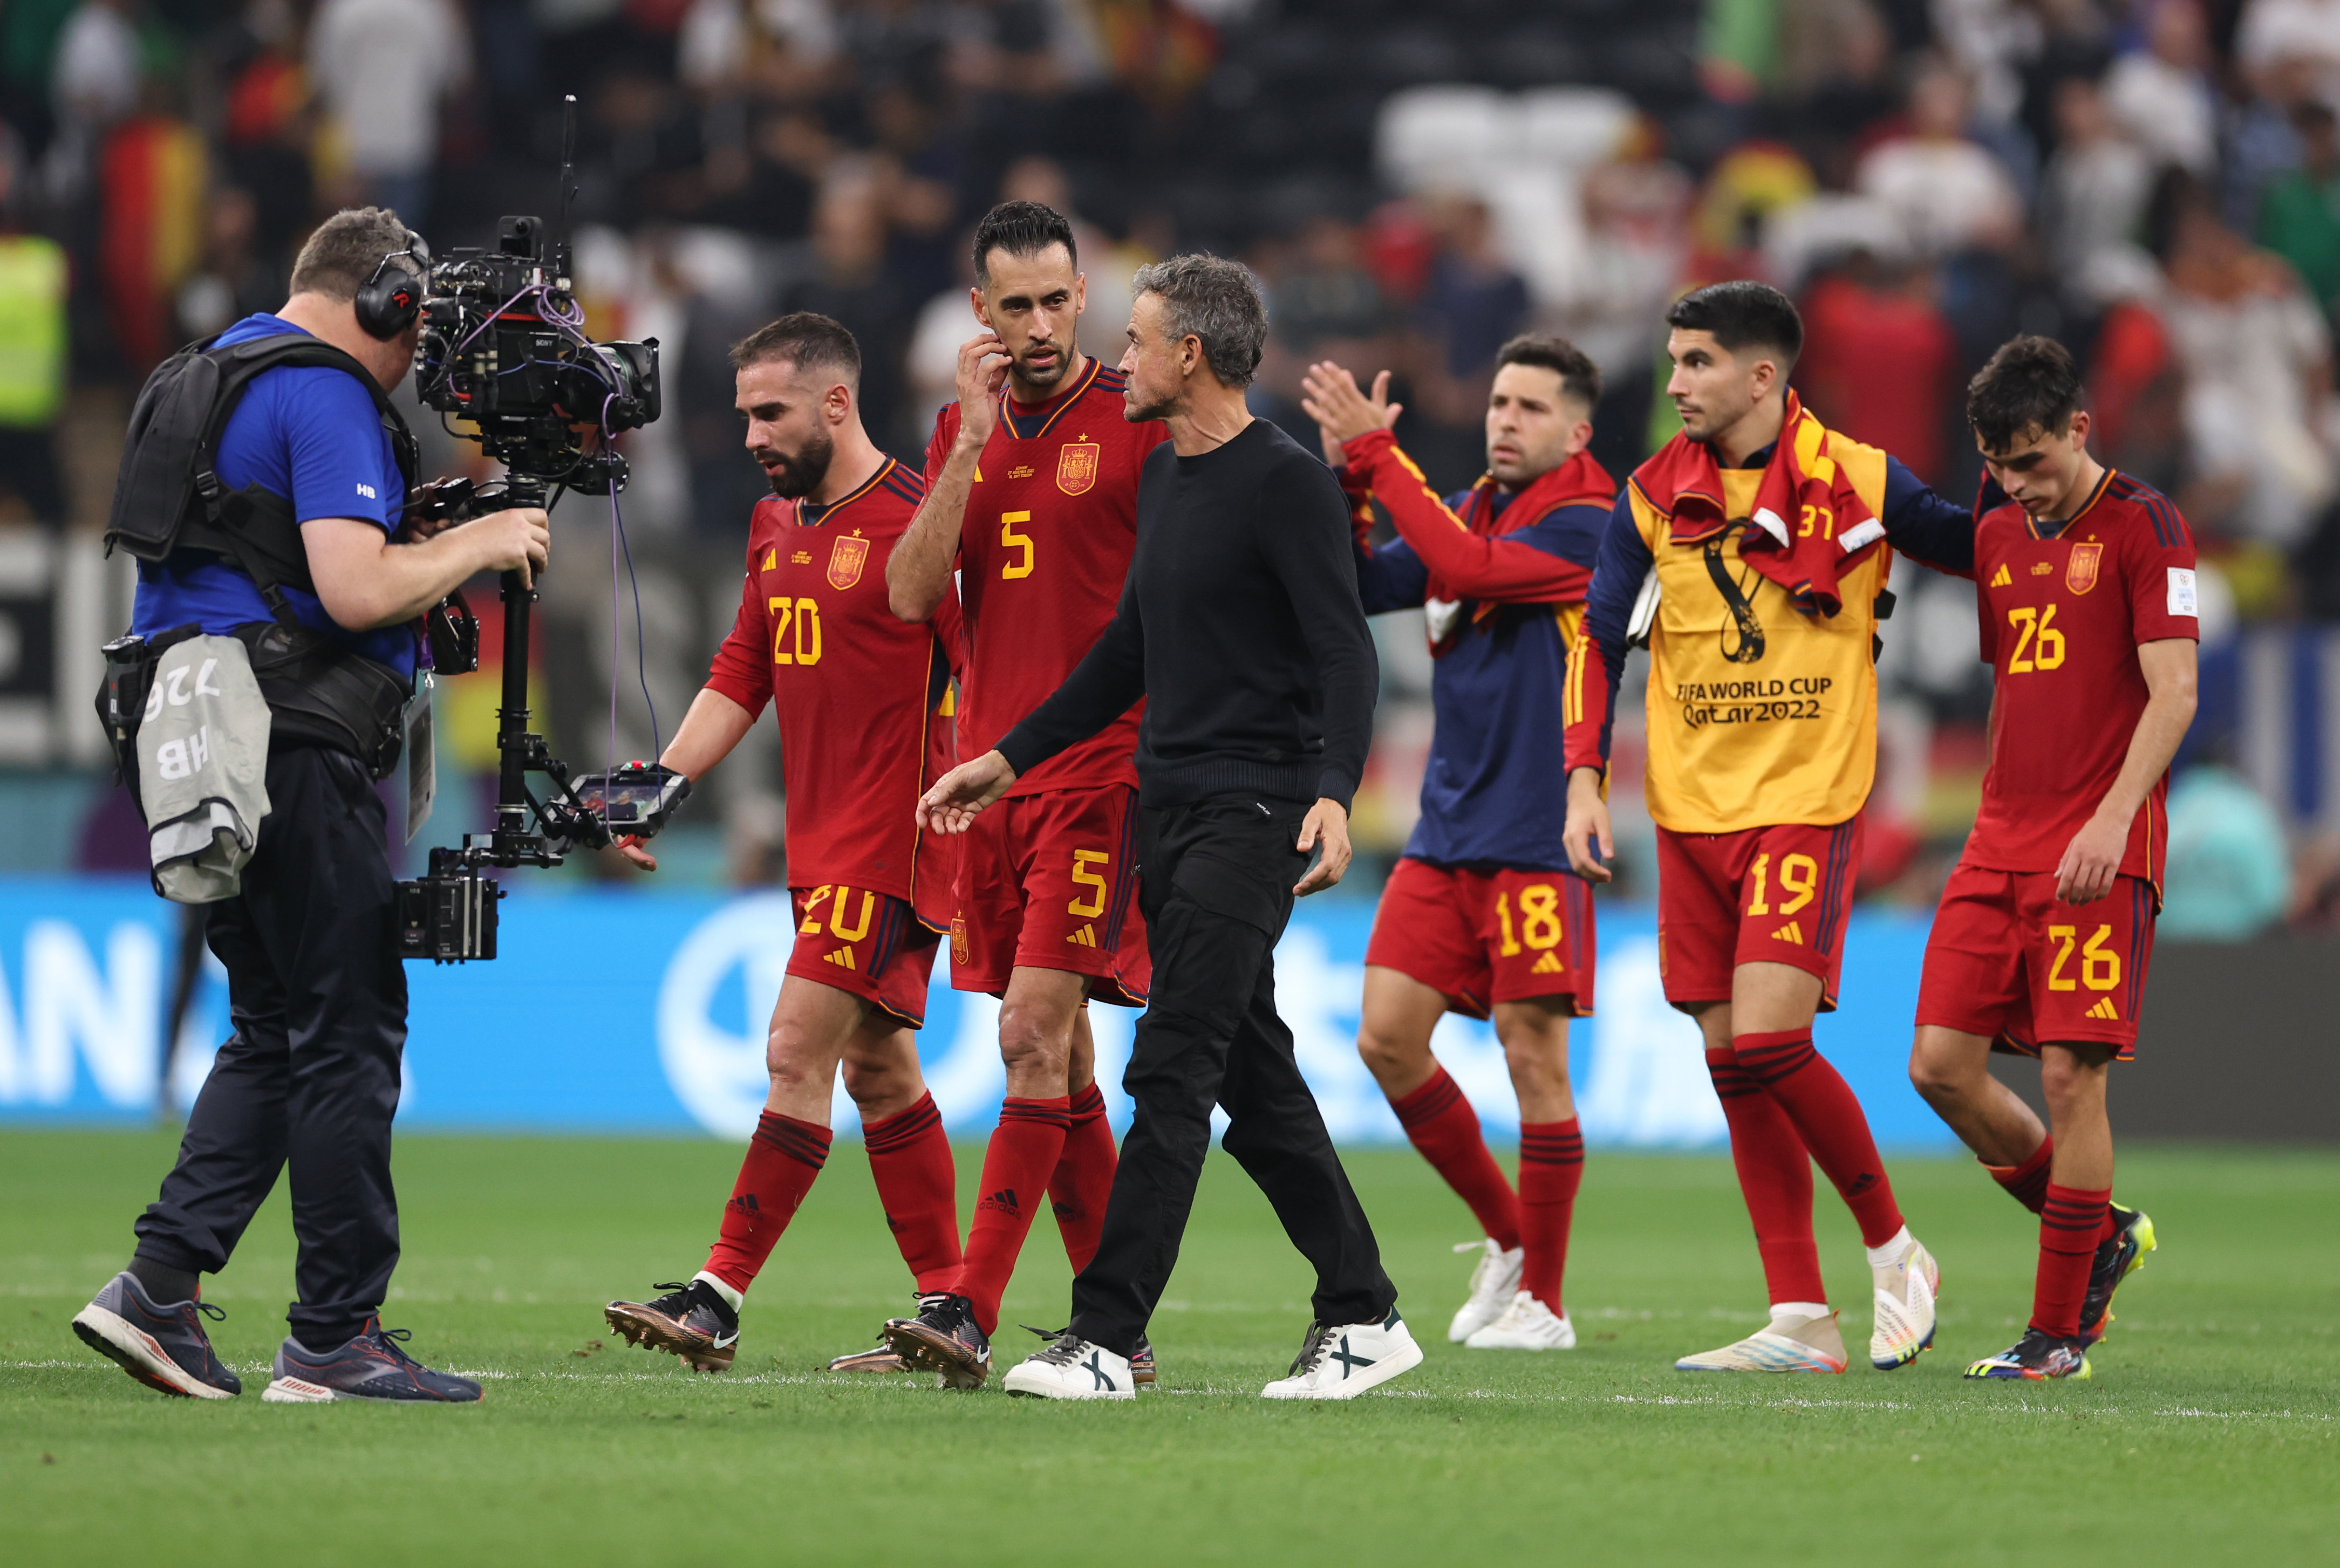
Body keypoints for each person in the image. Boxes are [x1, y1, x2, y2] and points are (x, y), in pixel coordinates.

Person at [71, 208, 550, 1402]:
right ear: (380, 298)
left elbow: (262, 550)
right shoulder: (325, 386)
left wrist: (415, 524)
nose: (420, 355)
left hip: (194, 728)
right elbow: (348, 586)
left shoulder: (210, 369)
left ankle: (158, 1289)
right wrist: (483, 536)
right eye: (417, 323)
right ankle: (336, 1334)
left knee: (277, 1022)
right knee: (347, 1026)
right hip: (287, 734)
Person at [923, 254, 1418, 1402]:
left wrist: (1335, 791)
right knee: (1259, 1075)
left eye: (1139, 339)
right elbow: (1126, 656)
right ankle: (1363, 1309)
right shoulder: (1172, 482)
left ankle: (1103, 1335)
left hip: (1255, 810)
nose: (1122, 354)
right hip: (1171, 806)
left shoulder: (1282, 482)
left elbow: (1349, 648)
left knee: (1175, 1067)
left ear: (1189, 354)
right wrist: (1002, 760)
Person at [1562, 280, 1971, 1375]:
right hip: (1689, 807)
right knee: (1730, 1054)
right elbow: (1598, 635)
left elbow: (1986, 554)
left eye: (1696, 362)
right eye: (1673, 361)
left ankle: (1896, 1250)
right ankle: (1801, 1313)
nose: (1677, 382)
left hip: (1805, 794)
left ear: (1762, 375)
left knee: (1775, 1037)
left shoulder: (1865, 478)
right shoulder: (1652, 494)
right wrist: (1584, 777)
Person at [601, 314, 965, 1377]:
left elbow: (989, 663)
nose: (753, 433)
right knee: (881, 1071)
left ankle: (716, 1296)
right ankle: (950, 1306)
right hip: (823, 845)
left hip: (892, 841)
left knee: (793, 1052)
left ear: (837, 404)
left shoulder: (917, 520)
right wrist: (659, 781)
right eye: (744, 413)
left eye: (772, 412)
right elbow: (740, 672)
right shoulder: (774, 525)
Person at [874, 202, 1165, 1388]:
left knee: (1028, 1032)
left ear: (1084, 292)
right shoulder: (962, 428)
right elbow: (905, 596)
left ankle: (968, 1304)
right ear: (979, 310)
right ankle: (1119, 1329)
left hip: (1101, 774)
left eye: (1058, 300)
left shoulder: (1138, 425)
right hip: (989, 784)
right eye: (1017, 305)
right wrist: (963, 449)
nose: (1041, 325)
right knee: (1072, 1059)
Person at [1299, 335, 1614, 1353]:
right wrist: (1354, 480)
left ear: (1577, 429)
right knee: (1386, 1038)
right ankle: (1512, 1242)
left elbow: (1465, 570)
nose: (1504, 420)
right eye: (1497, 401)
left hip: (1534, 831)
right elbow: (1361, 584)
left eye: (1528, 406)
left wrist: (1385, 463)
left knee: (1534, 1057)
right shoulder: (1472, 506)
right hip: (1445, 832)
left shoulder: (1590, 525)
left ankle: (1550, 1305)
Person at [1907, 337, 2194, 1380]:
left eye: (2032, 461)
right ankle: (2101, 1234)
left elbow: (2173, 692)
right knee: (1937, 1066)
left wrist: (2113, 819)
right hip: (1998, 842)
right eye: (1997, 467)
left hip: (2098, 845)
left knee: (2074, 1079)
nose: (2017, 486)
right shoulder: (1997, 531)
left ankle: (2057, 1332)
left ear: (2079, 428)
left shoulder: (2146, 525)